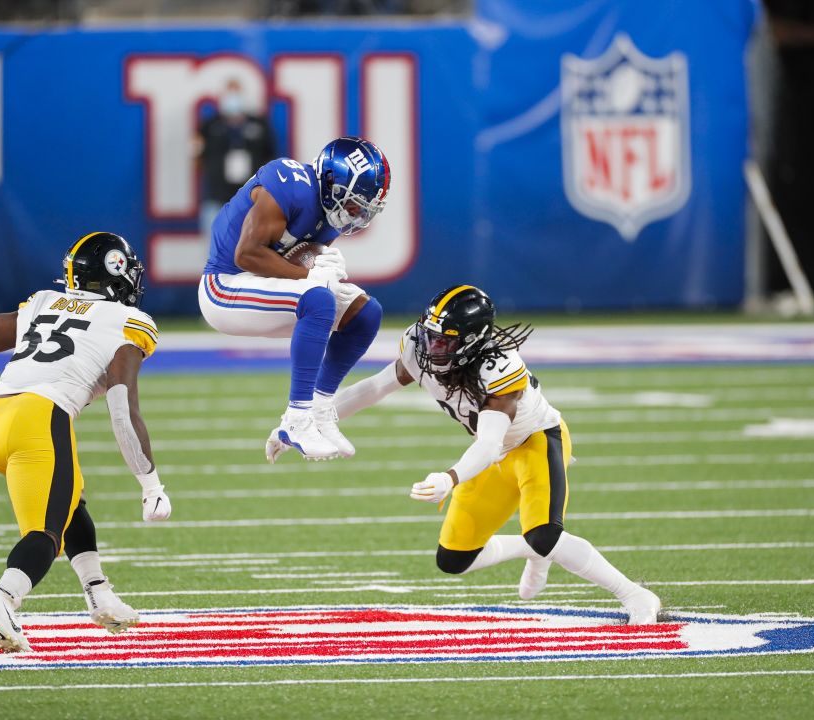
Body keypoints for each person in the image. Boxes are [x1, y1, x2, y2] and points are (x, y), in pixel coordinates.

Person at [275, 285, 662, 624]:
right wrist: (297, 423)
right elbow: (375, 387)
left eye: (445, 341)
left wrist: (450, 477)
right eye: (430, 336)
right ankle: (532, 549)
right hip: (491, 454)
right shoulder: (419, 345)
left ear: (473, 342)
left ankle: (635, 594)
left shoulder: (499, 369)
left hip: (534, 442)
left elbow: (491, 443)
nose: (432, 347)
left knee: (546, 533)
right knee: (454, 559)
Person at [0, 232, 172, 653]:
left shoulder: (44, 301)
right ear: (117, 272)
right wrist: (151, 484)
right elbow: (121, 407)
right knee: (46, 534)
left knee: (70, 498)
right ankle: (4, 596)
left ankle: (99, 593)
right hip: (39, 421)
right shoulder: (129, 323)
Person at [200, 136, 390, 461]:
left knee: (365, 314)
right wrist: (311, 274)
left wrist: (316, 263)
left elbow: (295, 259)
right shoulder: (290, 184)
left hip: (262, 283)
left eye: (364, 207)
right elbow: (246, 254)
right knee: (318, 299)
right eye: (354, 202)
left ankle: (319, 408)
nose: (356, 214)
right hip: (224, 285)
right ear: (331, 181)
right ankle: (296, 417)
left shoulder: (331, 214)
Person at [194, 79, 277, 237]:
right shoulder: (209, 126)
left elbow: (270, 159)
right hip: (216, 198)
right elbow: (197, 158)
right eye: (229, 94)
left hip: (251, 199)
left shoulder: (259, 125)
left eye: (236, 94)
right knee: (215, 249)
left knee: (252, 247)